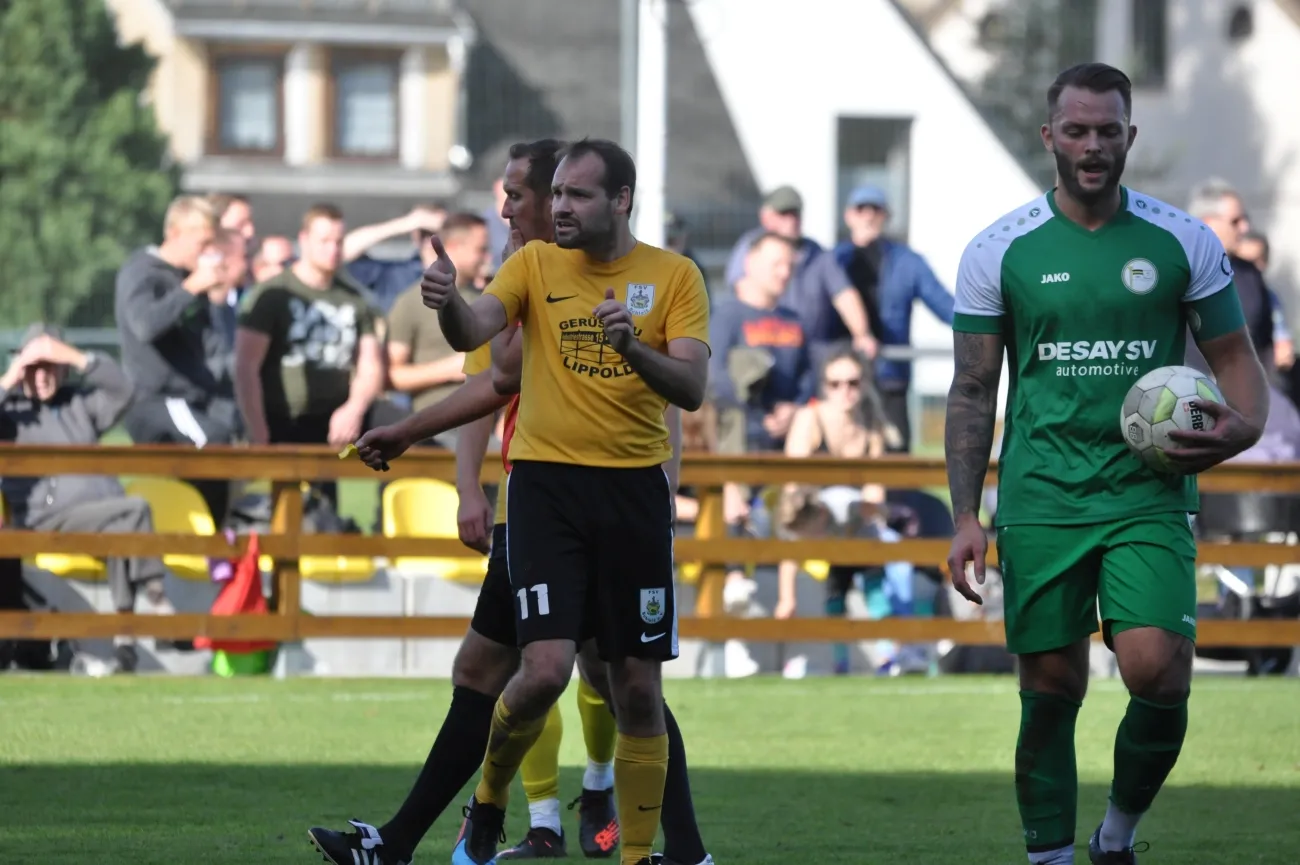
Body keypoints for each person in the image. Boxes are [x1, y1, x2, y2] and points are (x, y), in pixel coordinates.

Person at [308, 139, 712, 865]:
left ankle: (644, 838)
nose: (519, 209)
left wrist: (660, 479)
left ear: (616, 200)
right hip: (540, 499)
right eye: (545, 195)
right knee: (540, 671)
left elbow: (680, 396)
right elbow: (488, 369)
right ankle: (491, 813)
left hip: (625, 499)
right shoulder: (527, 269)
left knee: (625, 681)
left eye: (530, 195)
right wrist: (447, 312)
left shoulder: (667, 276)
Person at [944, 63, 1268, 865]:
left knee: (1159, 671)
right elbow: (973, 387)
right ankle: (1051, 856)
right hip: (1042, 494)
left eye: (1108, 131)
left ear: (1130, 135)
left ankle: (1115, 833)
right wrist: (964, 514)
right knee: (1051, 688)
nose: (1093, 145)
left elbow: (1234, 356)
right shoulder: (998, 250)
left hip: (1146, 492)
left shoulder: (1183, 241)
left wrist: (1244, 426)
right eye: (1077, 130)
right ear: (1049, 136)